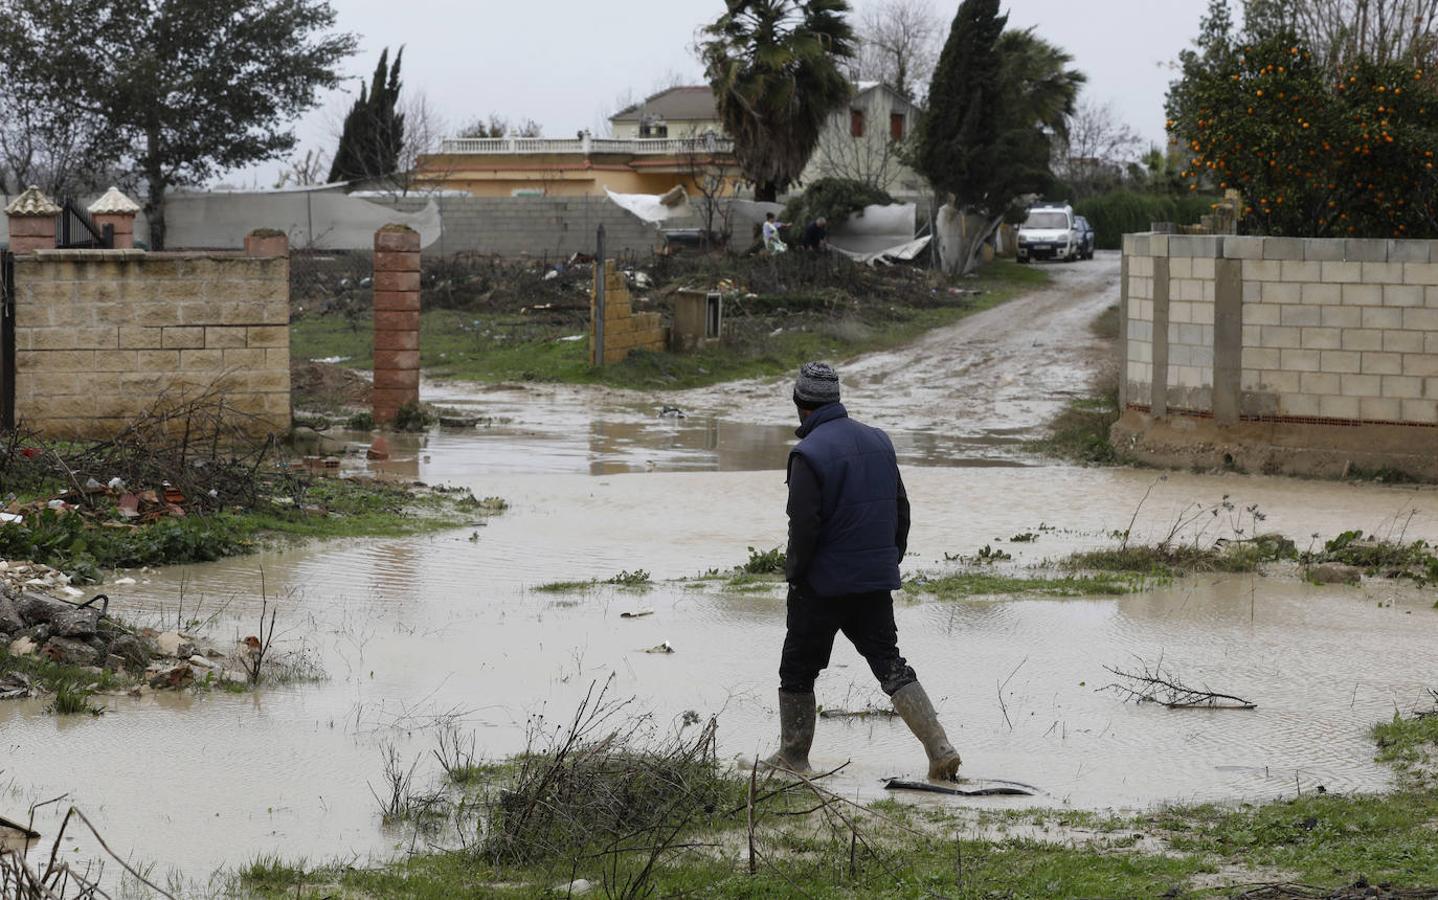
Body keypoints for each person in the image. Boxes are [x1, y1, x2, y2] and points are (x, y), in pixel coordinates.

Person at [764, 362, 962, 781]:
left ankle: (793, 759)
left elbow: (803, 528)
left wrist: (795, 575)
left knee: (797, 670)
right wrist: (888, 560)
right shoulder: (879, 442)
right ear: (835, 400)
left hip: (821, 586)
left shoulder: (807, 454)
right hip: (872, 582)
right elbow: (901, 509)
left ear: (800, 406)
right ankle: (940, 748)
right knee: (889, 662)